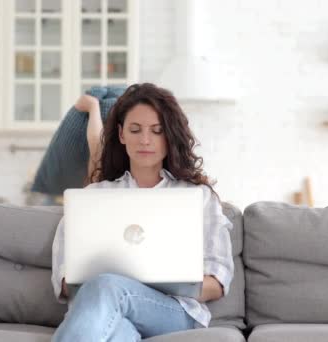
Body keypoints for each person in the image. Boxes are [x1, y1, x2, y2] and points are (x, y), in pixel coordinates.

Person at [51, 83, 234, 341]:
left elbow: (218, 281)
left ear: (169, 136)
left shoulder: (197, 197)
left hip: (174, 311)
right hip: (102, 307)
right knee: (118, 330)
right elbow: (64, 280)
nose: (145, 140)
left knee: (108, 286)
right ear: (121, 134)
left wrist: (154, 282)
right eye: (135, 130)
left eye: (157, 131)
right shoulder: (93, 197)